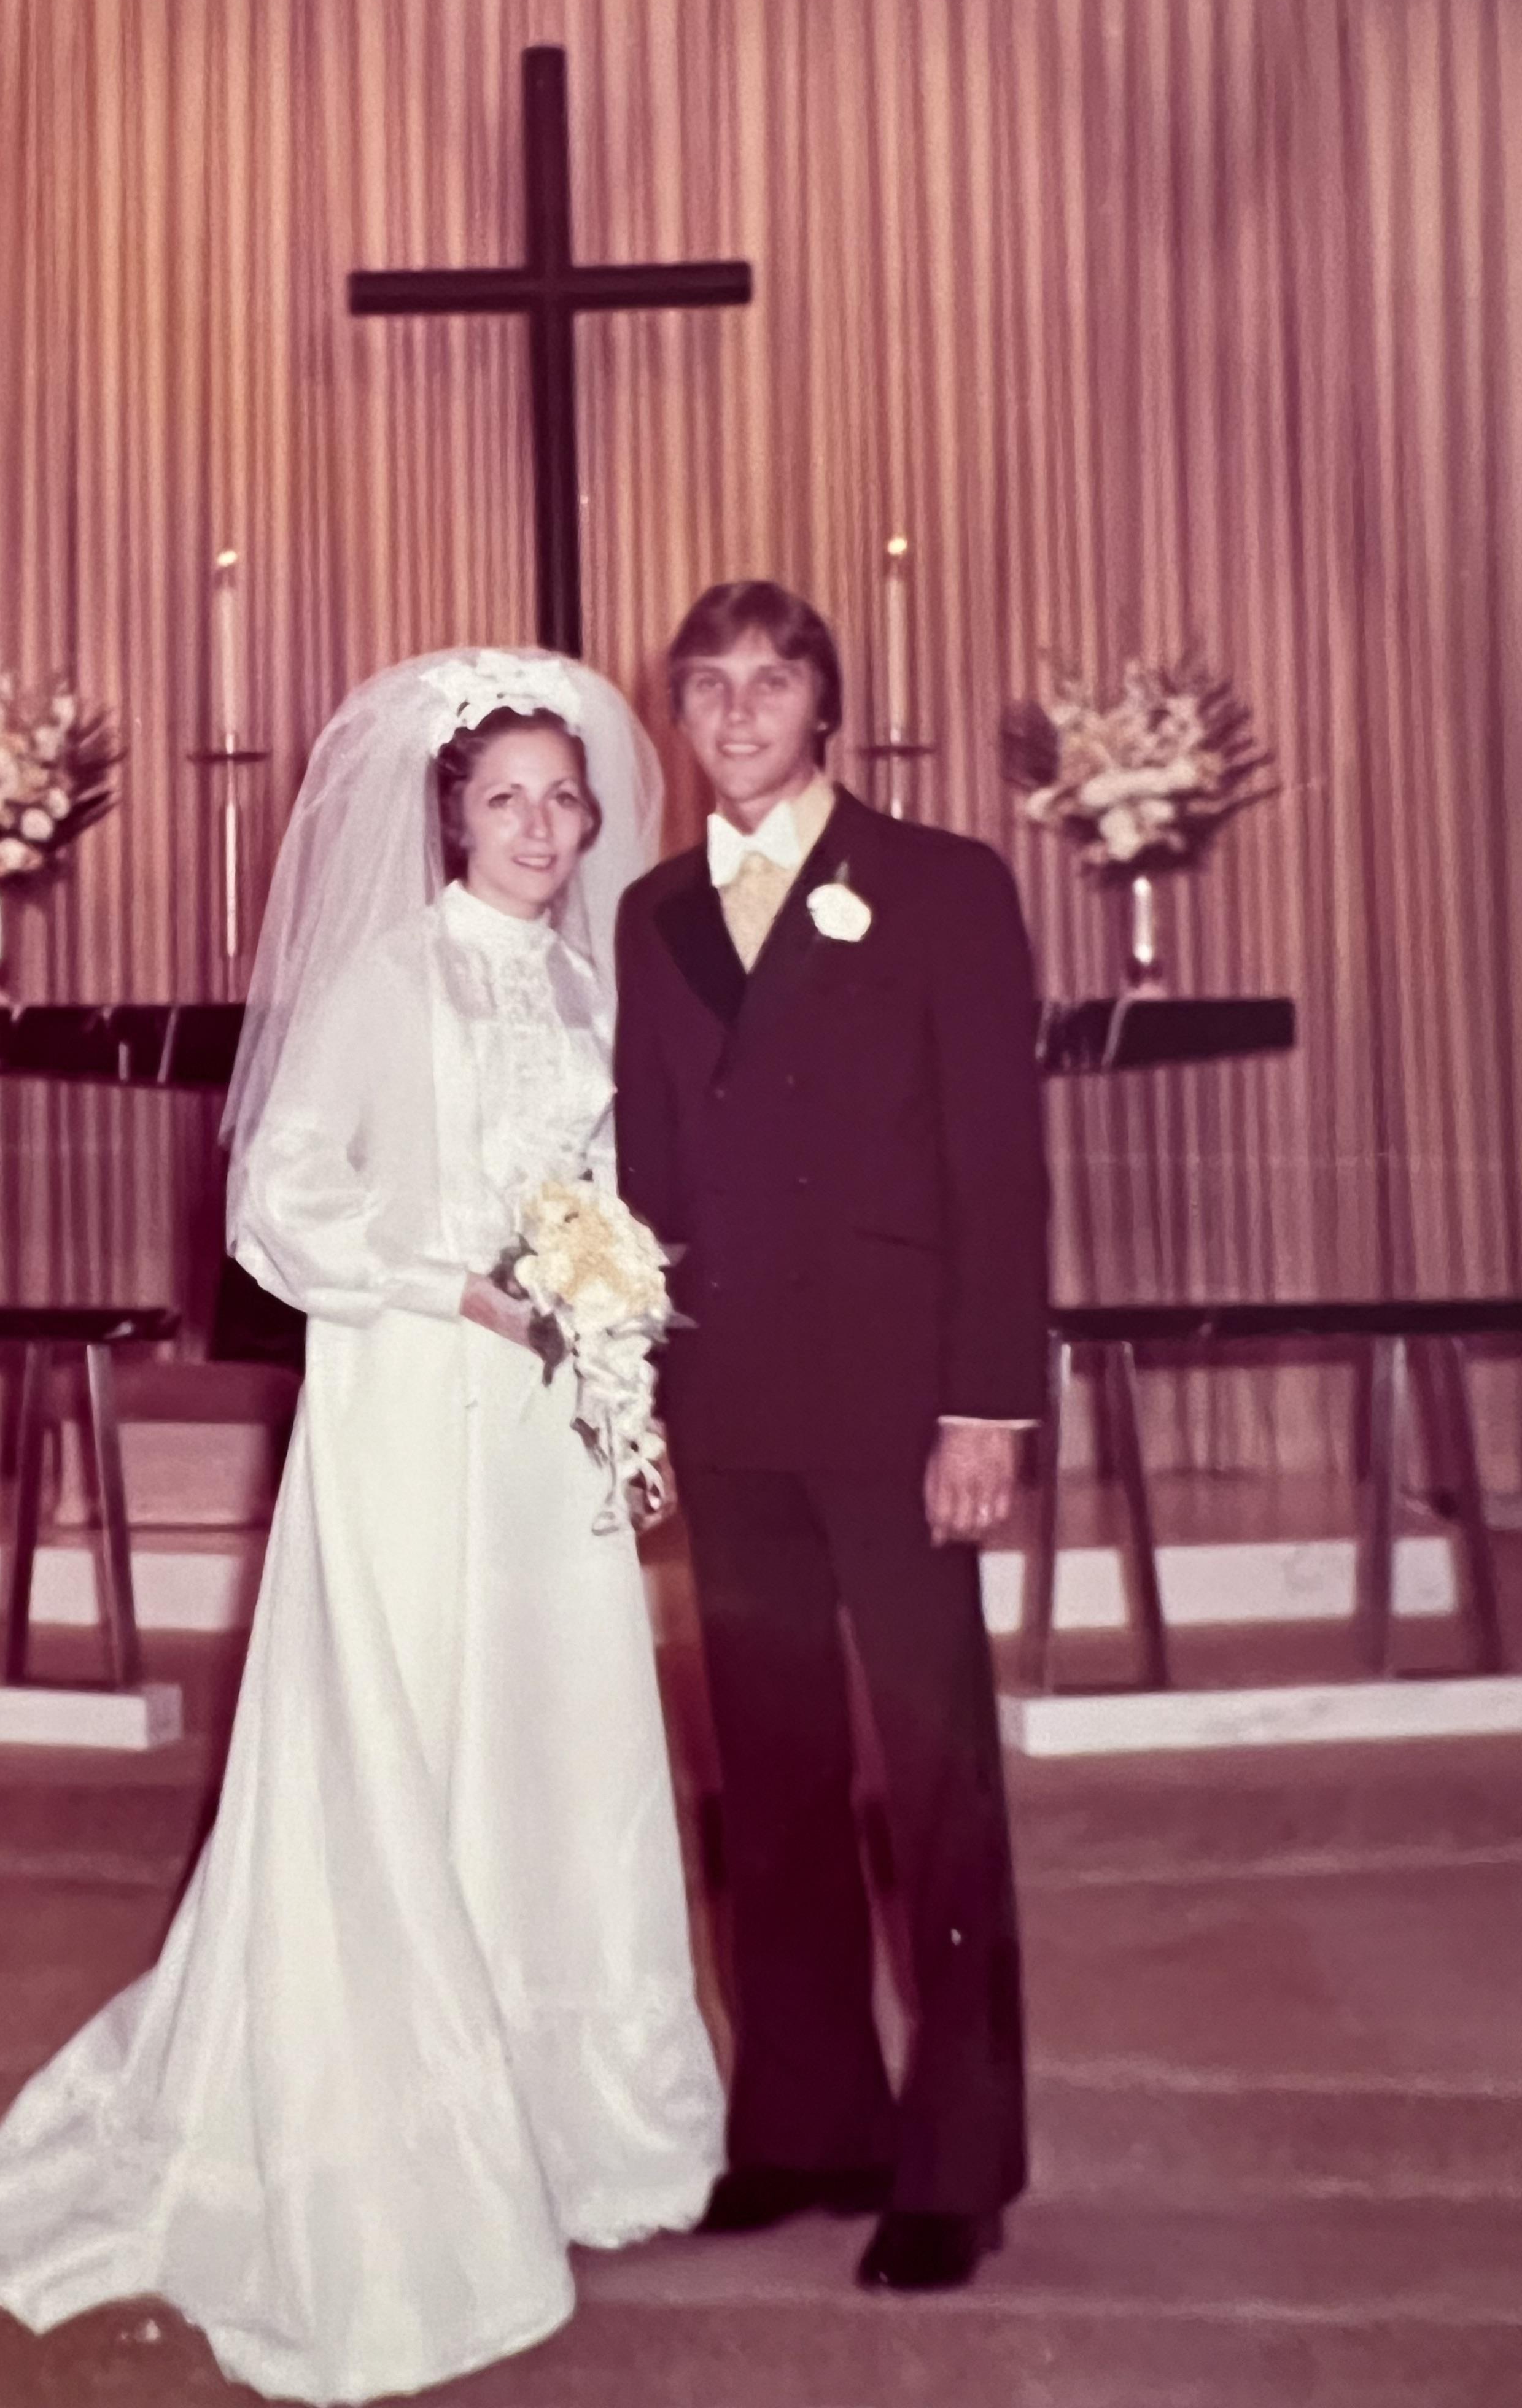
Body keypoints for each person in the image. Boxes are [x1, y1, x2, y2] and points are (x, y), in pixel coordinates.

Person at [0, 648, 724, 2404]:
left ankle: (567, 2117)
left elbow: (622, 1194)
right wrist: (465, 1290)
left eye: (564, 797)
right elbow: (284, 1203)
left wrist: (605, 1315)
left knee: (552, 1743)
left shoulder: (595, 994)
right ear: (450, 816)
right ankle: (392, 2136)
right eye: (506, 797)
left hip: (541, 1431)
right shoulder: (387, 975)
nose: (540, 825)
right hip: (407, 1405)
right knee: (403, 1725)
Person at [613, 581, 1049, 2293]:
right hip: (730, 1406)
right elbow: (648, 1170)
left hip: (900, 1407)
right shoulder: (651, 913)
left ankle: (958, 2161)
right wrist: (631, 1382)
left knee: (933, 1780)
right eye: (707, 687)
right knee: (772, 1777)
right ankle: (808, 2124)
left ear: (825, 706)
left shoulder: (940, 885)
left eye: (770, 683)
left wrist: (986, 1407)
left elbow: (998, 1169)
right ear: (679, 714)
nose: (735, 714)